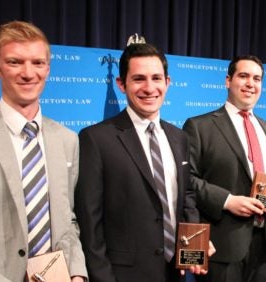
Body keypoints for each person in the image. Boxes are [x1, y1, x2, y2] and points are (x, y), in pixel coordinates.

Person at [75, 42, 213, 282]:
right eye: (139, 79)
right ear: (121, 84)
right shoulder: (96, 139)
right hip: (122, 275)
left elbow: (187, 195)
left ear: (167, 83)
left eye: (156, 78)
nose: (149, 88)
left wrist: (194, 245)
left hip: (173, 273)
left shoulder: (179, 137)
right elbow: (90, 221)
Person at [0, 21, 87, 281]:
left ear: (48, 69)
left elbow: (68, 221)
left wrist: (76, 273)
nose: (28, 73)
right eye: (15, 62)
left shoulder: (67, 140)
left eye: (38, 63)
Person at [182, 55, 266, 282]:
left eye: (257, 78)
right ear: (228, 81)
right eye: (243, 76)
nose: (251, 83)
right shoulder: (199, 126)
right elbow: (186, 179)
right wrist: (227, 200)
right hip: (222, 245)